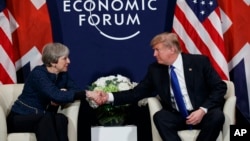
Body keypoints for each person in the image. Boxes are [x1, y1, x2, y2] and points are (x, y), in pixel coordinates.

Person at [87, 32, 227, 141]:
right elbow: (136, 93)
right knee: (160, 117)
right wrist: (108, 97)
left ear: (171, 49)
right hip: (178, 116)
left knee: (217, 116)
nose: (154, 54)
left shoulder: (199, 62)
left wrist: (202, 110)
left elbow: (220, 87)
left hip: (202, 113)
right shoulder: (156, 70)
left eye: (157, 50)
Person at [7, 43, 86, 141]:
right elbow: (56, 95)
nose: (69, 61)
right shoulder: (38, 73)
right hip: (20, 117)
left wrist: (63, 95)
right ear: (53, 62)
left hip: (43, 115)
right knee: (45, 119)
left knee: (60, 118)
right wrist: (86, 94)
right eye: (65, 58)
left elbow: (75, 90)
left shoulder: (63, 74)